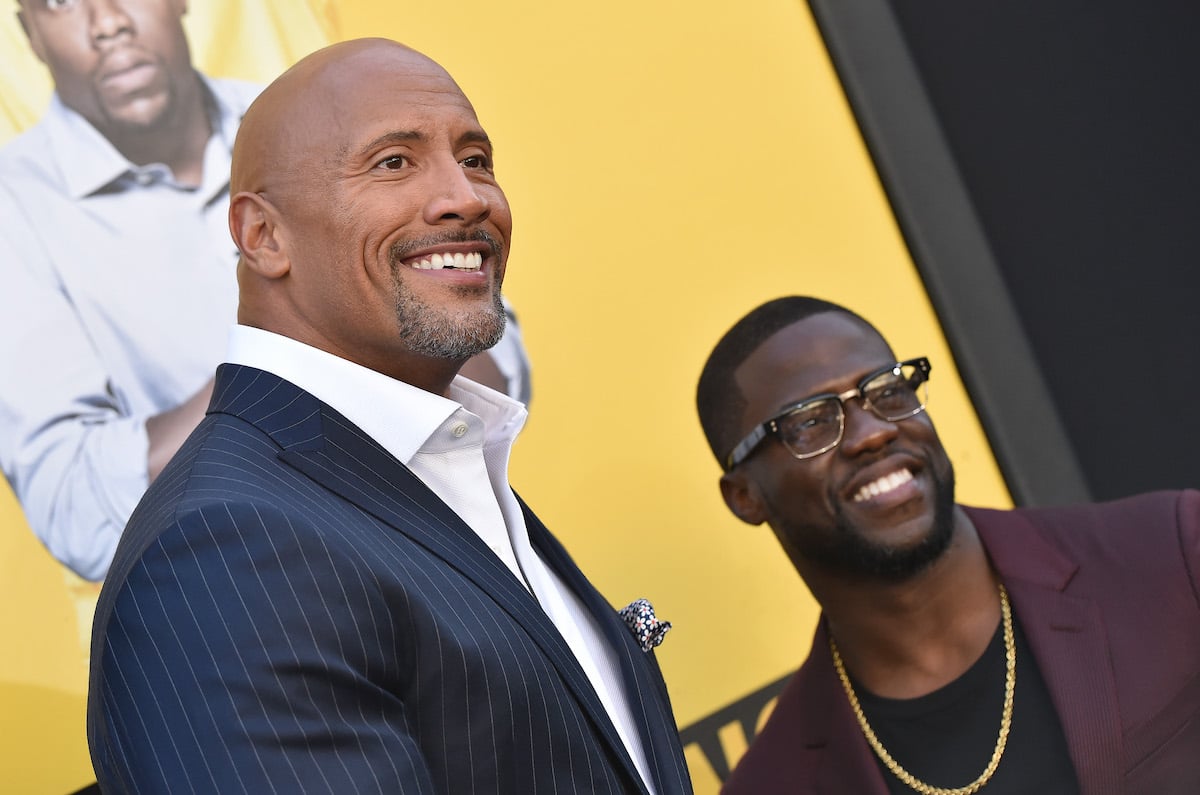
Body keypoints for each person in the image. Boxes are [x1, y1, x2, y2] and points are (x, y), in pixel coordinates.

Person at [86, 38, 692, 794]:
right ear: (263, 236)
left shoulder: (434, 463)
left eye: (475, 159)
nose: (467, 197)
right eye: (394, 162)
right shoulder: (227, 544)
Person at [0, 0, 529, 582]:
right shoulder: (13, 209)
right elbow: (78, 510)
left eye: (474, 160)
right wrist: (287, 364)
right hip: (232, 591)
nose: (108, 23)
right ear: (29, 33)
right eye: (59, 3)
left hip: (451, 564)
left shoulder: (316, 120)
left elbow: (485, 360)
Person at [696, 296, 1200, 794]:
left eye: (887, 389)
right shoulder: (774, 782)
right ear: (744, 496)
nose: (873, 433)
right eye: (810, 421)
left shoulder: (1171, 551)